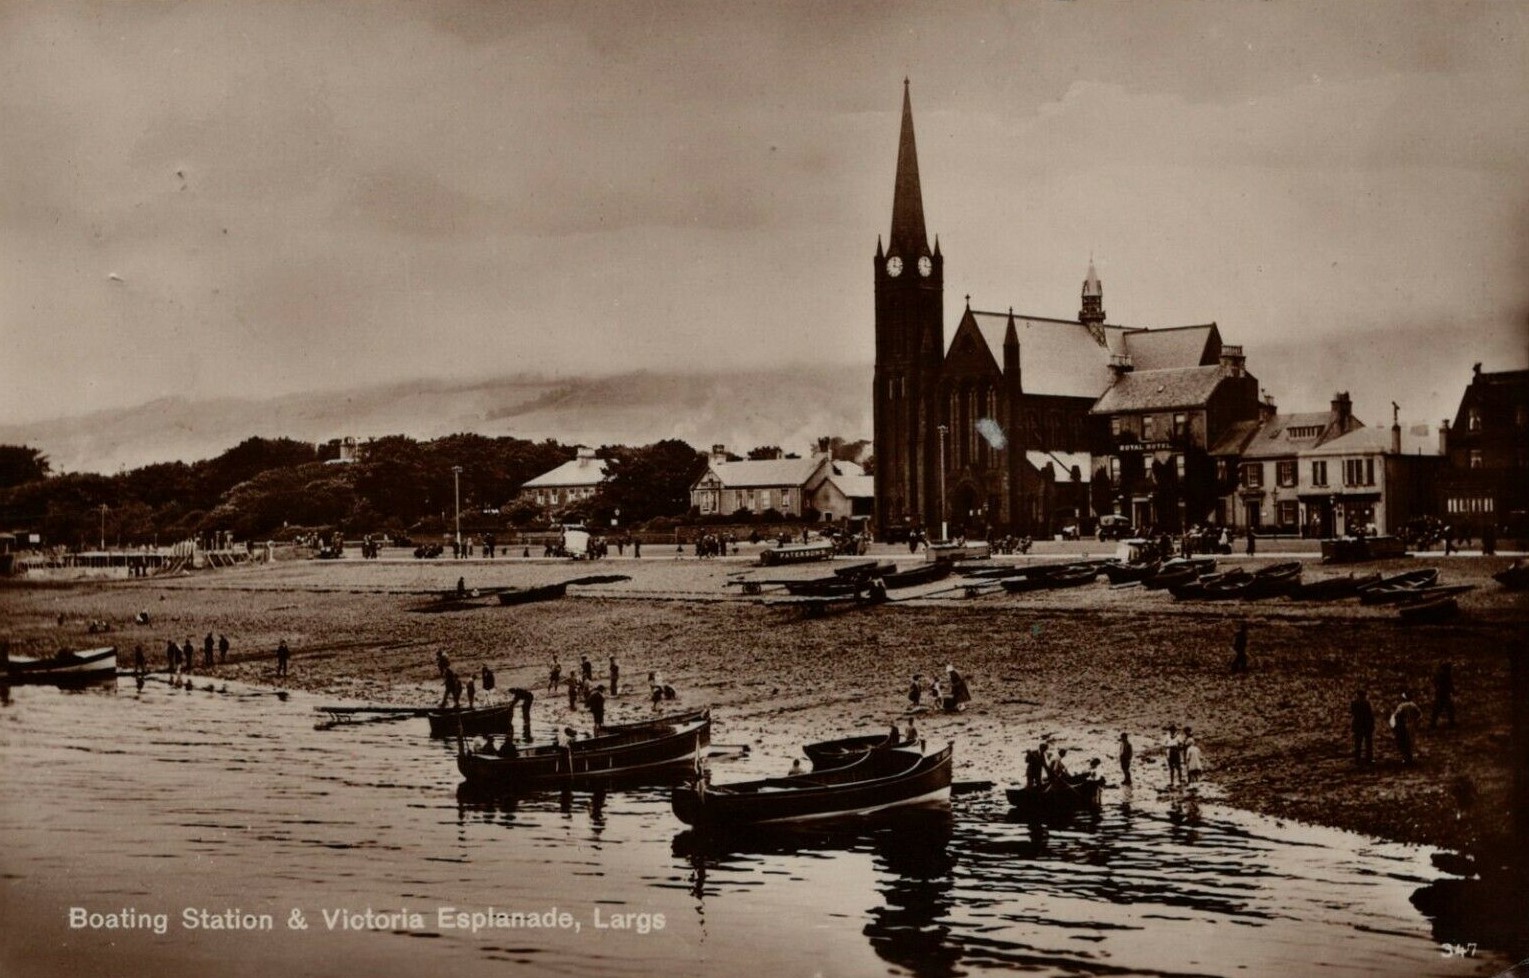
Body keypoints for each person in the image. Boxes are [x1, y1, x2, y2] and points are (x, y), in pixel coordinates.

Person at [1390, 691, 1422, 765]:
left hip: (1404, 725)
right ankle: (1410, 757)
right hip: (1412, 725)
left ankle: (1406, 758)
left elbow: (1396, 715)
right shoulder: (1413, 705)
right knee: (1411, 741)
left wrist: (1395, 725)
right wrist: (1416, 722)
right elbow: (1420, 715)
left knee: (1404, 742)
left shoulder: (1401, 706)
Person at [1351, 689, 1375, 763]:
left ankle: (1357, 758)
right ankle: (1369, 758)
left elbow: (1353, 713)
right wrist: (1372, 724)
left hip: (1358, 724)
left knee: (1358, 743)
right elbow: (1370, 714)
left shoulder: (1354, 703)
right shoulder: (1366, 703)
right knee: (1368, 743)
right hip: (1366, 724)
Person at [1431, 661, 1455, 728]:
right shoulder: (1445, 675)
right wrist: (1453, 691)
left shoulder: (1439, 675)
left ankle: (1433, 723)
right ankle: (1451, 722)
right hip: (1443, 694)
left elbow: (1435, 684)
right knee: (1448, 708)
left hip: (1440, 694)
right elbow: (1449, 684)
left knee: (1438, 709)